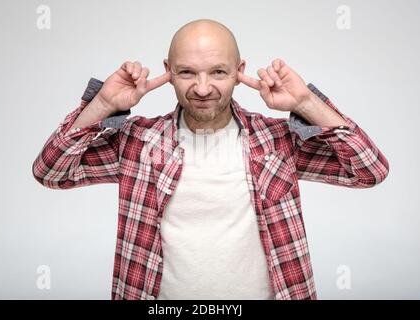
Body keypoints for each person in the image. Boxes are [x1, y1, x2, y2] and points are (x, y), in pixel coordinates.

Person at [32, 19, 389, 300]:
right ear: (168, 71)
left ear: (239, 70)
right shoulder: (137, 142)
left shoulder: (279, 142)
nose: (203, 88)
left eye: (218, 71)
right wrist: (104, 105)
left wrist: (305, 103)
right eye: (187, 72)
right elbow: (50, 171)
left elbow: (369, 170)